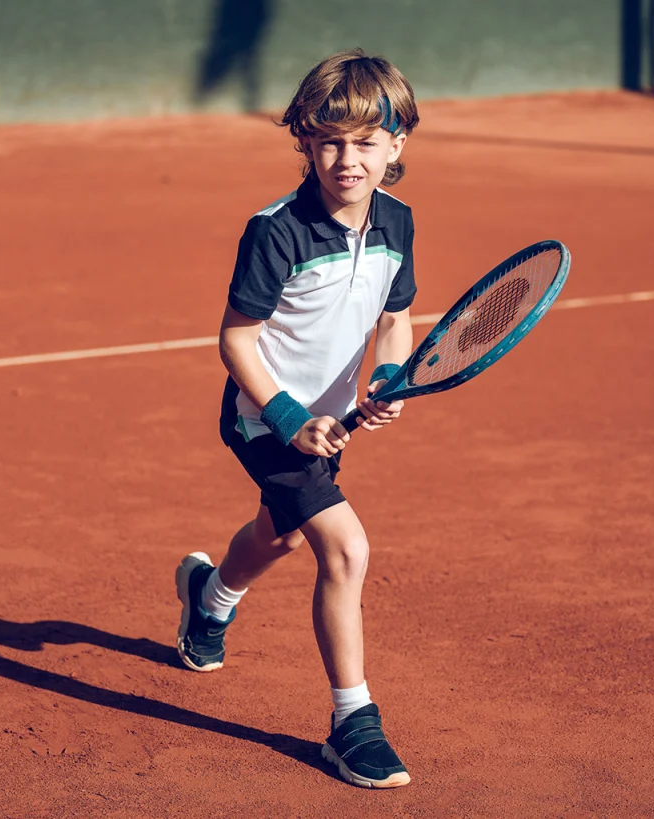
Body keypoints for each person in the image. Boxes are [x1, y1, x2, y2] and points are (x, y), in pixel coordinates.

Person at [176, 49, 419, 789]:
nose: (348, 158)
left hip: (332, 421)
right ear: (307, 141)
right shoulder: (276, 230)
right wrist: (285, 415)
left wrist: (386, 374)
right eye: (331, 140)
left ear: (396, 145)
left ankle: (209, 597)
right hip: (265, 419)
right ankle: (353, 723)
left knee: (278, 535)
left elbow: (399, 318)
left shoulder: (398, 224)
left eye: (366, 141)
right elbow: (236, 340)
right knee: (344, 548)